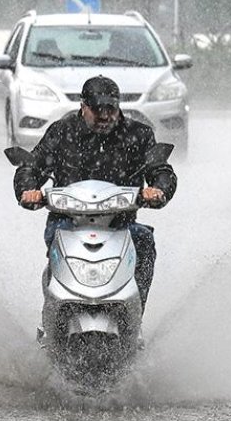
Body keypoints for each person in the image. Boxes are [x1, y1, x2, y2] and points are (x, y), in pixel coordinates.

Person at [13, 75, 177, 308]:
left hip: (121, 224)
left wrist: (159, 189)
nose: (104, 116)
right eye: (97, 109)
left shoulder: (138, 135)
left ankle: (135, 311)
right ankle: (53, 309)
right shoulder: (61, 132)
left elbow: (160, 169)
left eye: (110, 109)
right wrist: (28, 189)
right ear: (83, 106)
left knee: (144, 241)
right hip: (66, 221)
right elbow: (32, 166)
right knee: (56, 239)